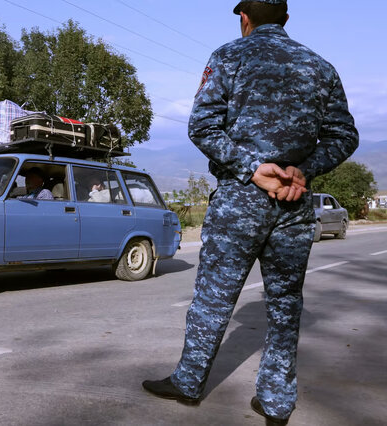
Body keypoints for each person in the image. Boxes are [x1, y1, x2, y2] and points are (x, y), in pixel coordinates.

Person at [141, 1, 359, 424]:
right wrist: (304, 169)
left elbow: (202, 126)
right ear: (285, 19)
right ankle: (276, 403)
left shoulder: (228, 56)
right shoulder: (322, 68)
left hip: (240, 202)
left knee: (213, 298)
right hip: (294, 205)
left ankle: (189, 383)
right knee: (285, 303)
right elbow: (344, 136)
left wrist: (251, 169)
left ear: (245, 17)